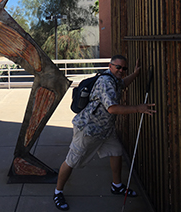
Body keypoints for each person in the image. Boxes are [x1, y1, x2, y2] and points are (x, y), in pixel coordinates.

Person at [53, 55, 156, 211]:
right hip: (88, 129)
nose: (121, 71)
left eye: (124, 68)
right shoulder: (106, 82)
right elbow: (112, 108)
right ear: (110, 66)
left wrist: (135, 74)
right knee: (72, 161)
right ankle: (58, 192)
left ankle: (116, 185)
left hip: (106, 129)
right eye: (118, 67)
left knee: (116, 151)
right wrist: (138, 108)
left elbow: (123, 83)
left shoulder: (114, 79)